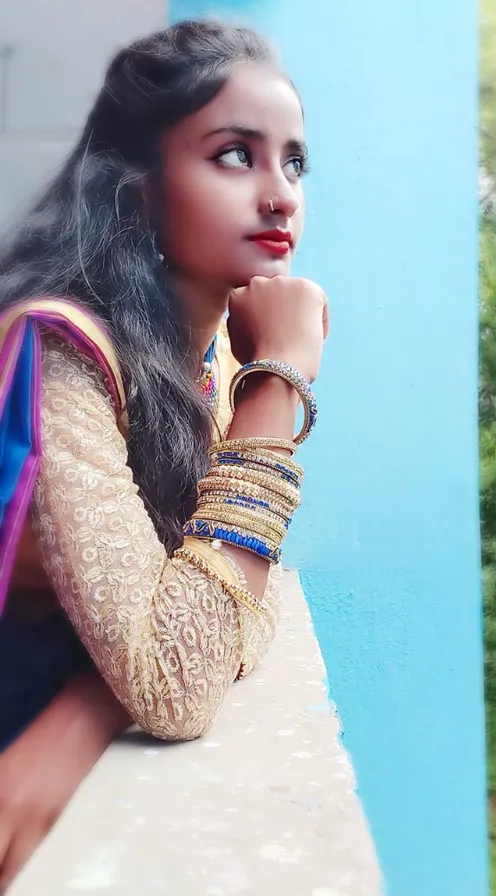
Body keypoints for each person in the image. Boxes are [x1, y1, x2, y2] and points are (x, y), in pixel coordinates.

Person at [0, 19, 328, 889]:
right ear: (138, 191)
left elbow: (229, 617)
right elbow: (181, 680)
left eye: (294, 162)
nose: (280, 195)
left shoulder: (208, 353)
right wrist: (280, 381)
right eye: (235, 155)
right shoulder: (60, 351)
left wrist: (88, 704)